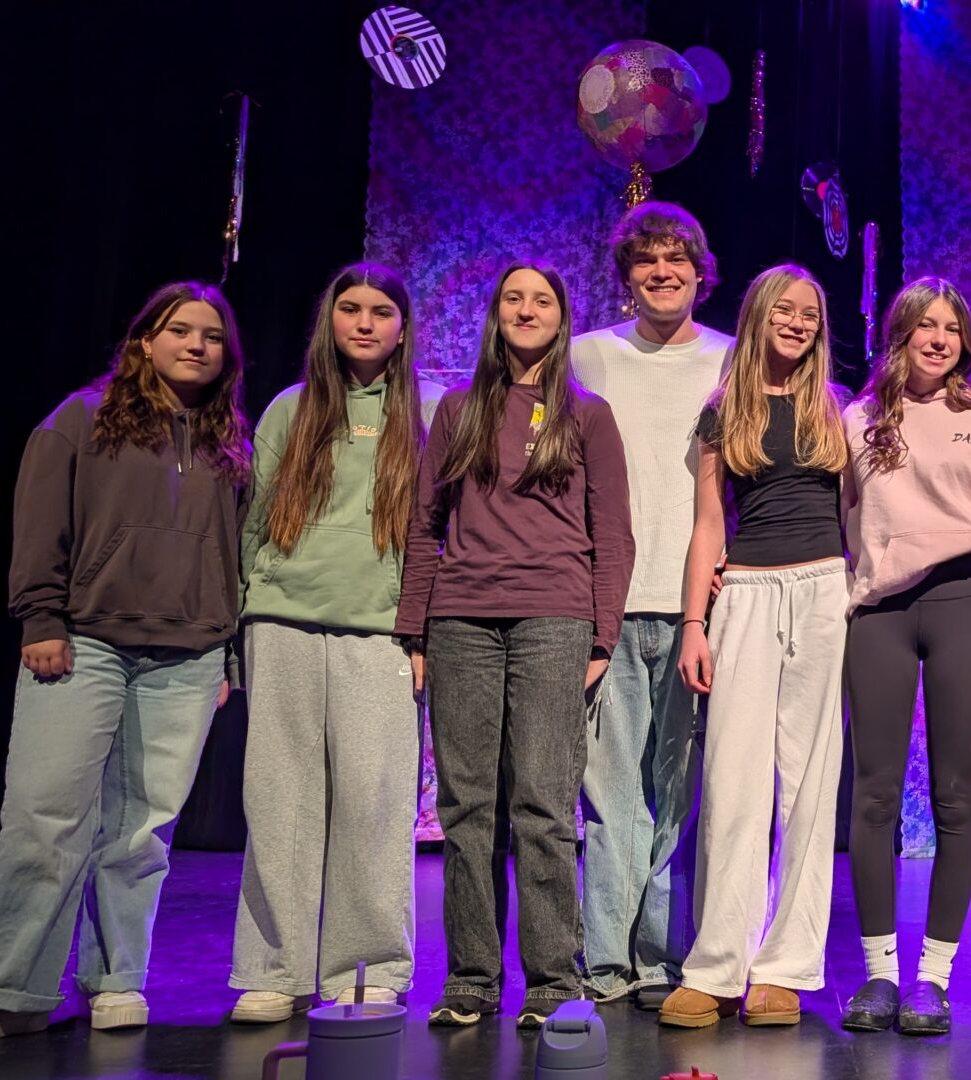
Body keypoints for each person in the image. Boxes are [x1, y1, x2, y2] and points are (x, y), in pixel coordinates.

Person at [0, 282, 249, 1043]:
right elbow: (40, 521)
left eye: (212, 337)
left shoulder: (230, 440)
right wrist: (41, 615)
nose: (197, 345)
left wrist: (227, 651)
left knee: (142, 832)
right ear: (144, 341)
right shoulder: (83, 418)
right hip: (85, 641)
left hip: (189, 655)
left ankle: (116, 980)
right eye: (181, 331)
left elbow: (239, 551)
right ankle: (10, 988)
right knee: (45, 818)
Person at [396, 262, 632, 1029]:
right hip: (461, 621)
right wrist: (414, 627)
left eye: (542, 300)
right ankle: (471, 976)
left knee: (542, 803)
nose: (527, 310)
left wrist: (602, 633)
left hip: (553, 621)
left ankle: (554, 980)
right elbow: (425, 526)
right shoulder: (458, 409)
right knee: (467, 806)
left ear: (562, 316)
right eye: (513, 298)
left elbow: (612, 534)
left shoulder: (586, 415)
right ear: (496, 313)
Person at [229, 263, 443, 1022]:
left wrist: (421, 628)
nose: (364, 322)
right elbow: (253, 521)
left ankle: (367, 967)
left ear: (403, 328)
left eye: (381, 311)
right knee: (278, 799)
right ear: (330, 320)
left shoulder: (428, 411)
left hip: (381, 633)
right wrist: (241, 618)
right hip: (281, 621)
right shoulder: (291, 408)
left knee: (375, 802)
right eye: (350, 308)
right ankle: (274, 969)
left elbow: (437, 532)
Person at [659, 265, 850, 1030]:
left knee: (809, 785)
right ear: (759, 315)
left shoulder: (833, 408)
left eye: (811, 314)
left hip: (824, 589)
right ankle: (717, 967)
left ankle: (784, 970)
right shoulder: (722, 410)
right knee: (733, 781)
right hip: (745, 591)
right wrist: (693, 622)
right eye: (786, 310)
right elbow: (709, 522)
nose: (799, 323)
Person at [837, 278, 971, 1037]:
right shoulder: (859, 418)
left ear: (964, 341)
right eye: (925, 325)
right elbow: (846, 512)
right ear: (901, 334)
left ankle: (933, 980)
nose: (938, 339)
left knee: (954, 795)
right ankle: (880, 975)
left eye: (951, 327)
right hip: (880, 610)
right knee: (875, 793)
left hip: (959, 601)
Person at [571, 201, 732, 1011]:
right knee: (608, 797)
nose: (663, 271)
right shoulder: (587, 356)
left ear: (701, 273)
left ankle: (663, 958)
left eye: (677, 258)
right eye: (647, 259)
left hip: (701, 605)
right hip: (607, 602)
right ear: (626, 276)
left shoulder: (732, 358)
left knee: (682, 798)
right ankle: (605, 961)